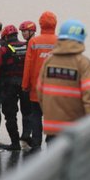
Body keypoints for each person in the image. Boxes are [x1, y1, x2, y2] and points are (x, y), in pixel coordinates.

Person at [37, 19, 90, 141]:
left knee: (54, 160)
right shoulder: (83, 63)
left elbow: (40, 92)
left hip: (52, 130)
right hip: (75, 130)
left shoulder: (49, 61)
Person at [21, 11, 57, 148]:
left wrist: (25, 85)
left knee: (36, 116)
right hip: (54, 90)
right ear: (55, 24)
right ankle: (51, 142)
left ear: (41, 24)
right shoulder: (59, 41)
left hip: (36, 89)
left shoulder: (34, 42)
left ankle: (36, 143)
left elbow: (28, 66)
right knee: (51, 116)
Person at [0, 25, 29, 150]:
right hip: (24, 85)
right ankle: (28, 137)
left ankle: (15, 143)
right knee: (27, 113)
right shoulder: (26, 46)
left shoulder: (3, 48)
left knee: (10, 114)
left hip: (9, 86)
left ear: (5, 36)